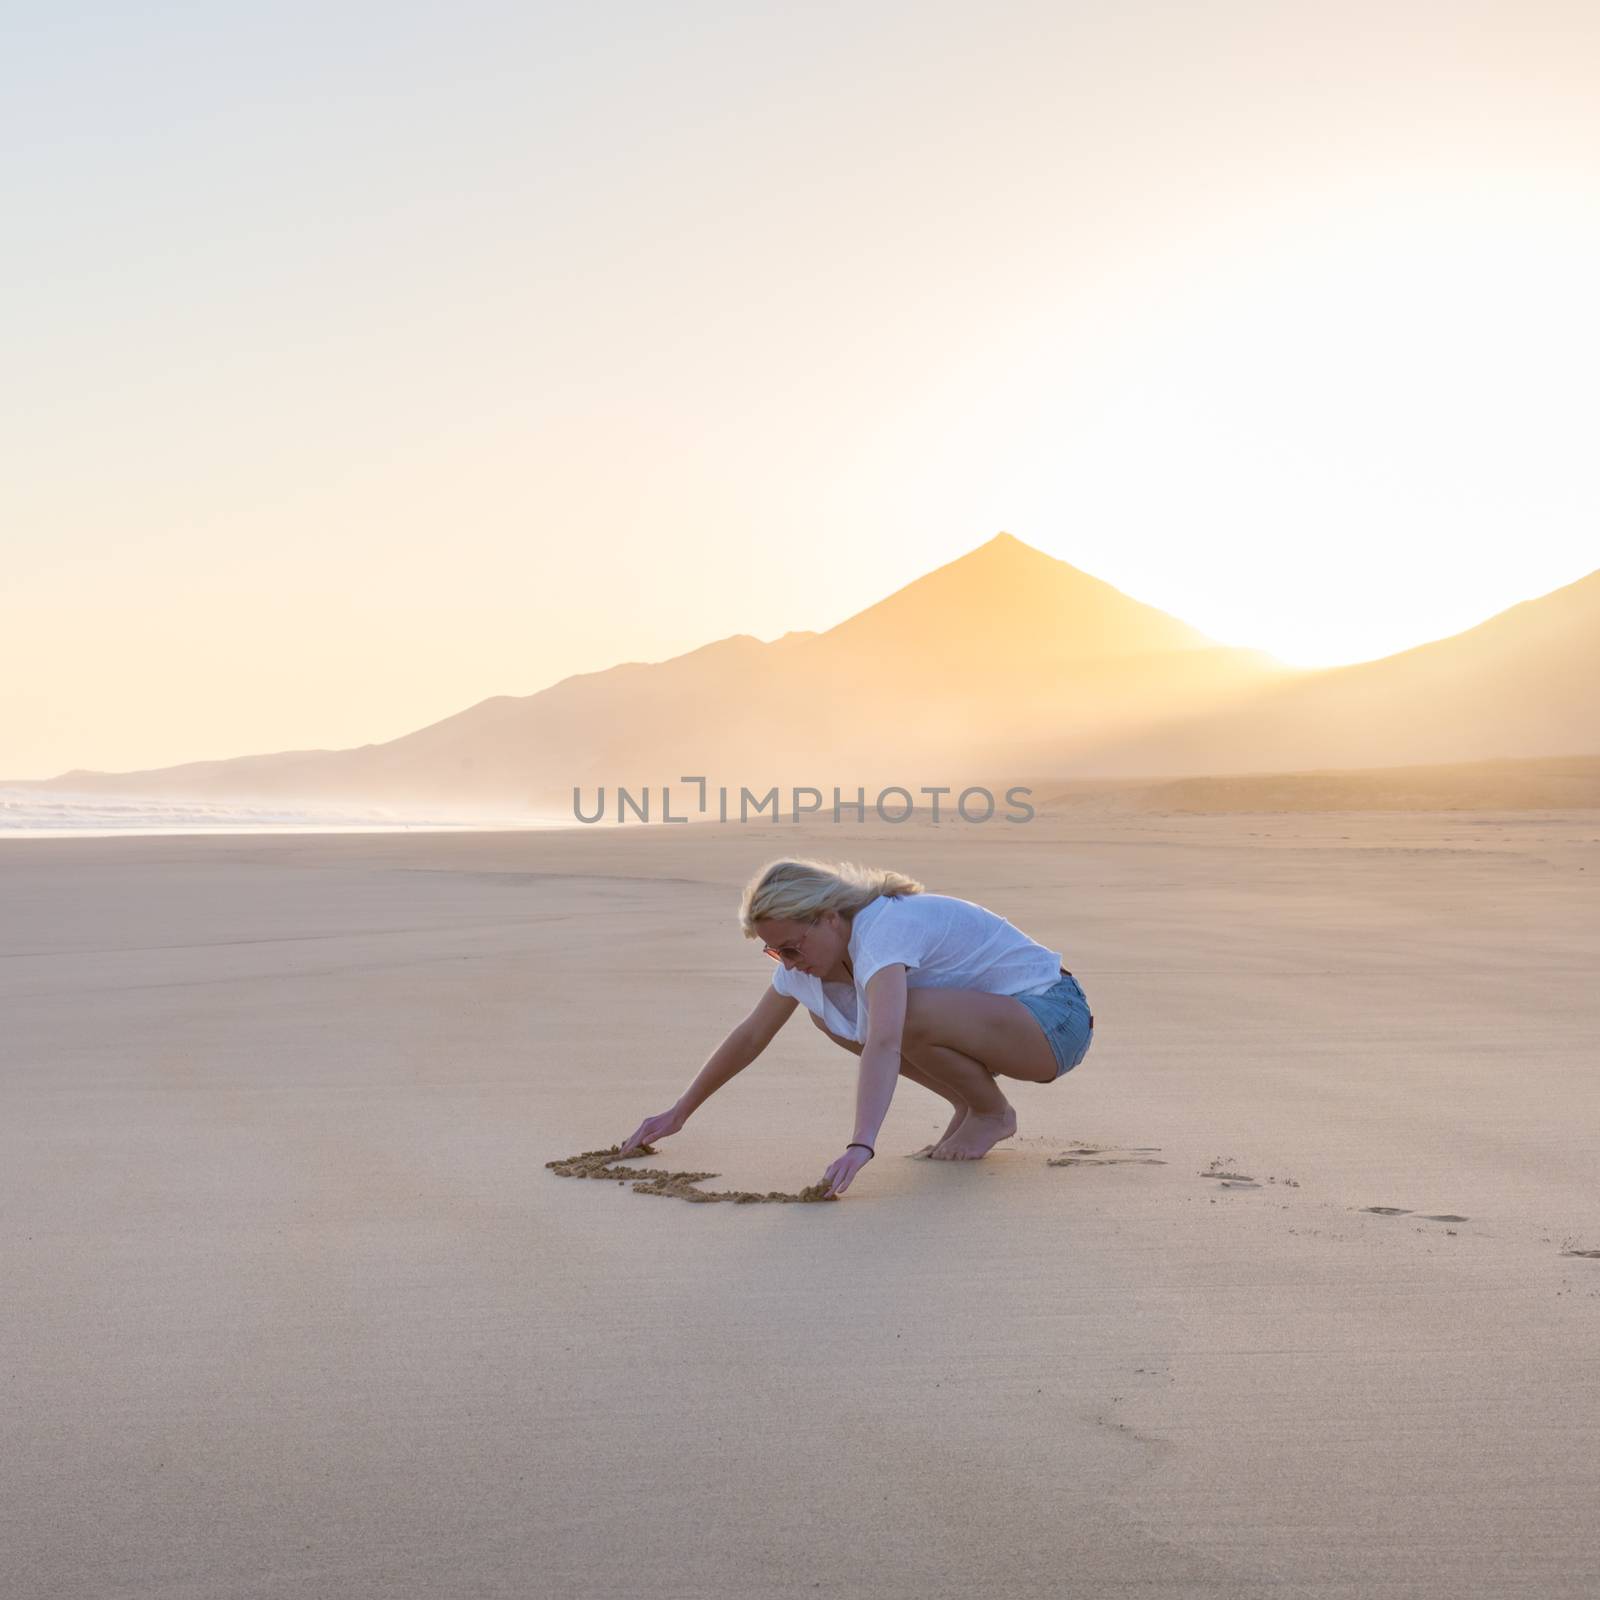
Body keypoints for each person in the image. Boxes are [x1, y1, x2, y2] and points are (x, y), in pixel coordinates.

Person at [617, 857, 1094, 1198]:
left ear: (828, 918)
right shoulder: (810, 957)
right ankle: (969, 1103)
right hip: (1001, 1025)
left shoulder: (882, 929)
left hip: (1054, 1021)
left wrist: (860, 1145)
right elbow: (750, 1035)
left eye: (792, 947)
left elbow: (886, 1040)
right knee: (830, 1015)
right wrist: (679, 1113)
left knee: (899, 1015)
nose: (787, 962)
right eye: (775, 952)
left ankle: (991, 1113)